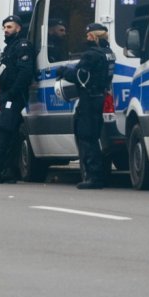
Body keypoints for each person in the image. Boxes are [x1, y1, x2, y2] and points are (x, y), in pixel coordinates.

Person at [56, 23, 115, 189]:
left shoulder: (91, 54)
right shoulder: (108, 53)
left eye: (88, 35)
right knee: (94, 136)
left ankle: (93, 177)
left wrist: (63, 71)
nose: (86, 38)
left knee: (86, 137)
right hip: (100, 96)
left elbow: (79, 75)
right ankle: (97, 175)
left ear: (93, 36)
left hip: (89, 98)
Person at [0, 15, 35, 184]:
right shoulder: (9, 47)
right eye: (4, 27)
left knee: (3, 131)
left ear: (18, 28)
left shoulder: (22, 46)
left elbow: (25, 73)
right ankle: (10, 170)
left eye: (9, 27)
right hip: (7, 95)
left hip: (14, 96)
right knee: (11, 134)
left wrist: (12, 93)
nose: (6, 30)